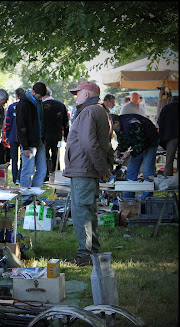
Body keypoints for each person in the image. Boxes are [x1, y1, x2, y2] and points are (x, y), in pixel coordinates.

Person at [63, 81, 113, 266]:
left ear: (87, 93)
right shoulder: (99, 111)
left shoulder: (89, 111)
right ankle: (93, 252)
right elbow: (105, 144)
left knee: (81, 212)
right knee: (88, 211)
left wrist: (102, 169)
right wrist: (104, 168)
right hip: (86, 168)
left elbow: (88, 143)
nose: (76, 96)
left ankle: (85, 255)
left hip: (84, 169)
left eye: (78, 93)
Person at [110, 113, 159, 202]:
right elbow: (123, 141)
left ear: (116, 123)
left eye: (110, 126)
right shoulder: (119, 127)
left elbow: (141, 142)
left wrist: (130, 153)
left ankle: (146, 200)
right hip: (138, 143)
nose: (110, 129)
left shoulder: (132, 124)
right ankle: (128, 200)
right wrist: (118, 150)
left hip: (150, 142)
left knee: (147, 170)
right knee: (131, 169)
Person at [16, 82, 48, 199]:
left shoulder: (38, 103)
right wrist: (24, 146)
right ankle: (25, 198)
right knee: (27, 170)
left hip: (38, 140)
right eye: (39, 96)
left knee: (42, 169)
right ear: (33, 92)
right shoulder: (23, 104)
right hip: (28, 142)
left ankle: (34, 195)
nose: (40, 99)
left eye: (41, 97)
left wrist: (42, 137)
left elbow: (40, 121)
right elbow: (21, 126)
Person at [42, 87, 69, 178]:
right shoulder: (61, 105)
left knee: (45, 154)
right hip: (57, 134)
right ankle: (56, 172)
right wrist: (66, 135)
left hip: (45, 135)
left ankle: (45, 174)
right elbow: (66, 122)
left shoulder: (42, 106)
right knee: (56, 153)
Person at [4, 88, 24, 185]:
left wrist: (7, 135)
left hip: (12, 136)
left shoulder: (11, 107)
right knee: (22, 159)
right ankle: (19, 177)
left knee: (14, 159)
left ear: (16, 95)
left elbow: (7, 123)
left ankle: (15, 178)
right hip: (23, 137)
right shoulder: (26, 106)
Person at [157, 96, 178, 176]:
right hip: (172, 134)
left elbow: (160, 121)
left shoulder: (166, 108)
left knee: (169, 159)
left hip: (171, 135)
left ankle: (168, 178)